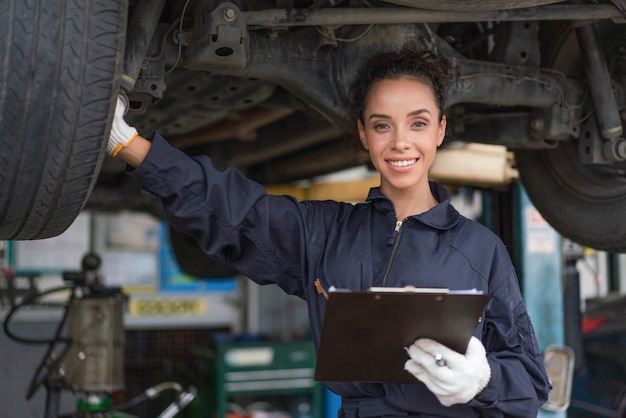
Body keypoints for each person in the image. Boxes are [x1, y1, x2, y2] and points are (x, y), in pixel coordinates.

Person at [107, 49, 551, 417]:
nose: (400, 142)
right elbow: (233, 209)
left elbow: (531, 385)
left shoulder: (479, 249)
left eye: (417, 123)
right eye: (382, 125)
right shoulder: (323, 233)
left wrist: (483, 380)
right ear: (363, 133)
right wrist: (129, 145)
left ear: (440, 130)